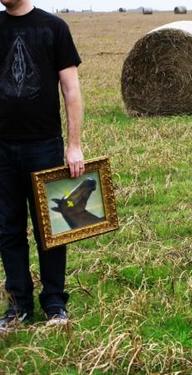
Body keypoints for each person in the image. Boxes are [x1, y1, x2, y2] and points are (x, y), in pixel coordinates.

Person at [0, 0, 84, 331]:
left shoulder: (54, 28)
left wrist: (73, 145)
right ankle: (18, 306)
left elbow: (71, 89)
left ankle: (54, 304)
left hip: (44, 146)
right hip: (2, 149)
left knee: (51, 228)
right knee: (8, 229)